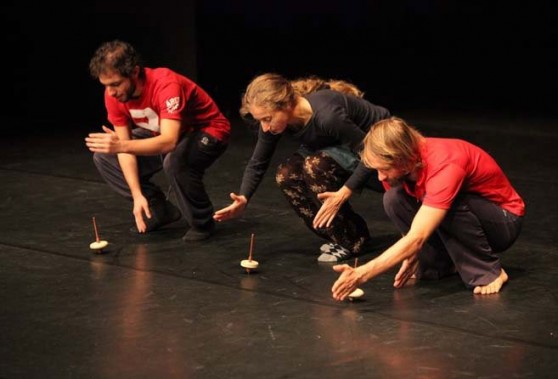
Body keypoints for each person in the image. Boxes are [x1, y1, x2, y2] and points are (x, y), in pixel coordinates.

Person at [331, 116, 525, 299]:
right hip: (472, 217)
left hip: (503, 222)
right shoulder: (401, 167)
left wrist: (362, 274)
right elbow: (413, 229)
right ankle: (440, 264)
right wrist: (414, 254)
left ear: (404, 159)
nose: (380, 177)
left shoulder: (445, 164)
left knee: (449, 203)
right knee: (393, 198)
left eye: (384, 169)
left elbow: (418, 237)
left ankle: (488, 272)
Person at [213, 73, 391, 262]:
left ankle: (352, 241)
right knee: (287, 175)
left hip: (381, 149)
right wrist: (244, 197)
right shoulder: (277, 122)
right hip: (335, 146)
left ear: (285, 105)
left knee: (315, 167)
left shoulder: (327, 116)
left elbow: (370, 153)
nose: (264, 127)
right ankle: (342, 235)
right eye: (261, 121)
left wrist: (344, 192)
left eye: (267, 119)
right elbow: (258, 161)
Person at [85, 40, 230, 242]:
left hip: (208, 130)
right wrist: (136, 195)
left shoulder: (165, 84)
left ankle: (202, 222)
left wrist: (121, 145)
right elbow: (125, 148)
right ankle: (159, 210)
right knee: (104, 157)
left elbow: (169, 142)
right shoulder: (113, 97)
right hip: (164, 135)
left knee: (174, 160)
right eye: (106, 86)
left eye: (116, 84)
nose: (110, 92)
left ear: (135, 72)